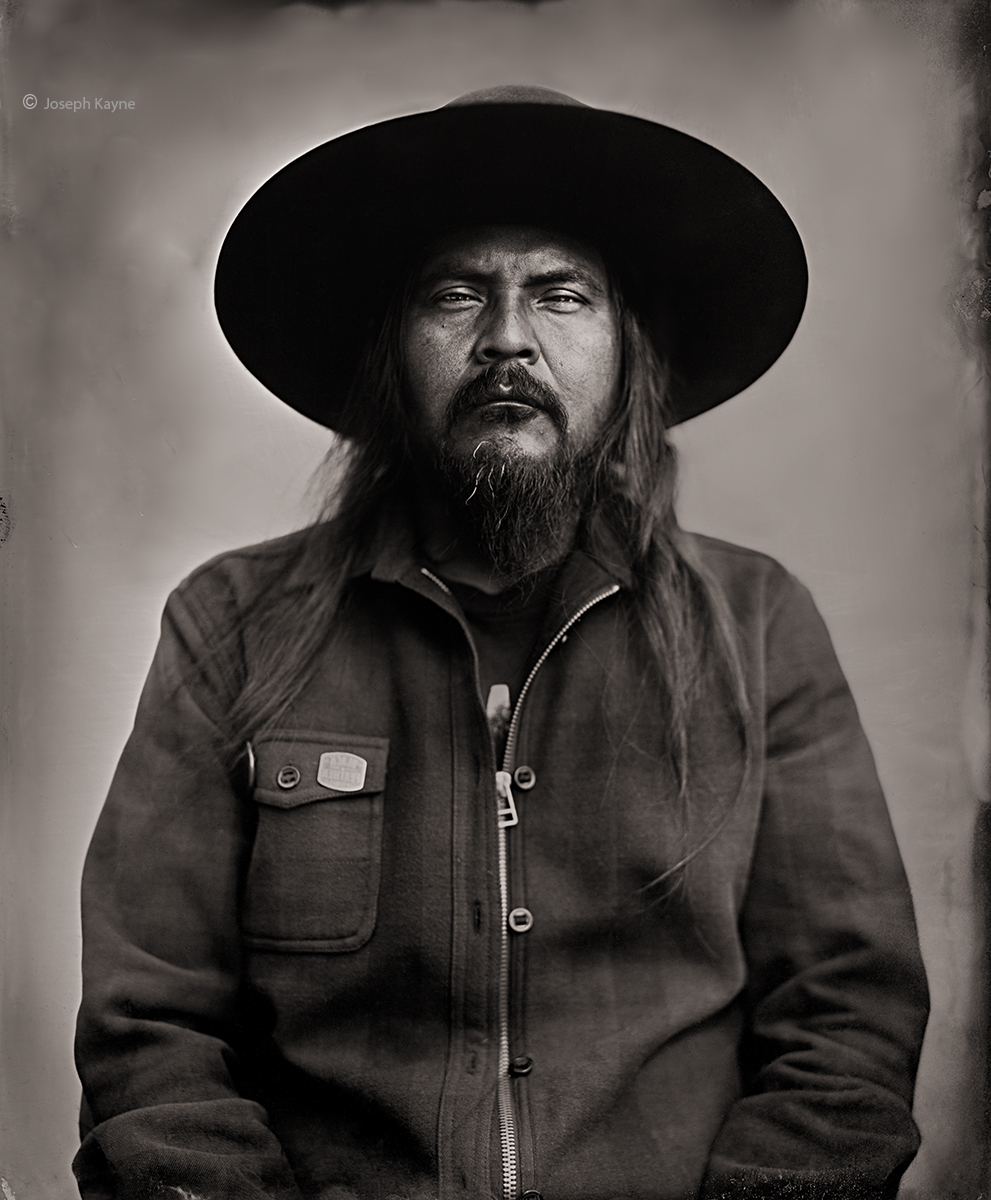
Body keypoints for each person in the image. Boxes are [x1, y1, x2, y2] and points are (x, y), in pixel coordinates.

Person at [73, 87, 930, 1200]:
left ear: (627, 357)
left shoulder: (759, 622)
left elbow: (848, 1012)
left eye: (561, 295)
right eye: (457, 294)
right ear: (391, 352)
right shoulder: (230, 622)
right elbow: (150, 1026)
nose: (507, 338)